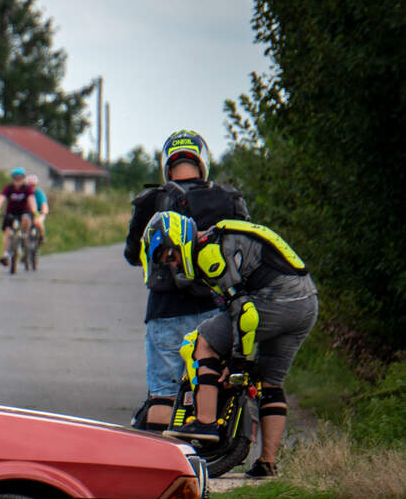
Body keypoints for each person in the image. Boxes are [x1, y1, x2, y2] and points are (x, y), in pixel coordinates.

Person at [141, 211, 318, 477]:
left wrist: (239, 361)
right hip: (306, 305)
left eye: (171, 256)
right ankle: (267, 463)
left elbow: (246, 313)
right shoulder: (219, 237)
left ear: (178, 240)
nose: (174, 265)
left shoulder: (208, 251)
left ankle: (205, 422)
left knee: (204, 342)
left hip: (275, 300)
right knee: (271, 383)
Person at [124, 130, 250, 433]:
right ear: (202, 160)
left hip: (165, 310)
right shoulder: (229, 199)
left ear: (166, 164)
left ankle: (164, 464)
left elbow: (132, 254)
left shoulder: (150, 200)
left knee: (164, 394)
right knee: (213, 381)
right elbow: (247, 249)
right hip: (216, 308)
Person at [0, 167, 38, 266]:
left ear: (23, 178)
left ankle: (25, 238)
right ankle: (6, 255)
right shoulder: (9, 188)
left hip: (24, 211)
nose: (17, 180)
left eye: (20, 178)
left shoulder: (27, 189)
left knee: (26, 219)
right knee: (8, 232)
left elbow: (31, 200)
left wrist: (34, 210)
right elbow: (1, 198)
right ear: (13, 178)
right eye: (15, 178)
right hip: (11, 212)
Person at [27, 174, 48, 240]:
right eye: (30, 185)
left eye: (33, 185)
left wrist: (43, 211)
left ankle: (42, 235)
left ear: (36, 185)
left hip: (39, 212)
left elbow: (44, 205)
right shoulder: (25, 193)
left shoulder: (40, 193)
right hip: (28, 212)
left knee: (37, 222)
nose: (31, 187)